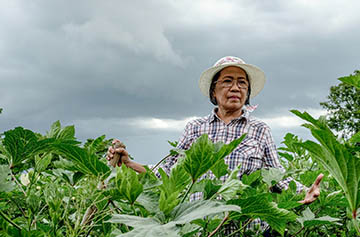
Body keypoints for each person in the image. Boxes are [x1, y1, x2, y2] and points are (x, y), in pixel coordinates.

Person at [106, 56, 323, 203]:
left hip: (247, 231)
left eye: (242, 83)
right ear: (213, 91)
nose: (236, 88)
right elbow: (169, 172)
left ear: (248, 93)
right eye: (227, 81)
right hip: (200, 233)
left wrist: (305, 191)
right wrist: (129, 163)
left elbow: (276, 177)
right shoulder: (195, 128)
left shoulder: (259, 130)